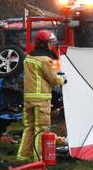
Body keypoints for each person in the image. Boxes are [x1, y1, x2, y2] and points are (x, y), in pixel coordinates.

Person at [17, 30, 65, 162]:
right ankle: (38, 159)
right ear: (45, 44)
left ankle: (23, 156)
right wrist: (63, 79)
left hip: (28, 98)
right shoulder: (45, 59)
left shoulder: (29, 57)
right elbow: (53, 79)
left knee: (29, 128)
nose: (52, 45)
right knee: (41, 129)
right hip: (41, 100)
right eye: (50, 42)